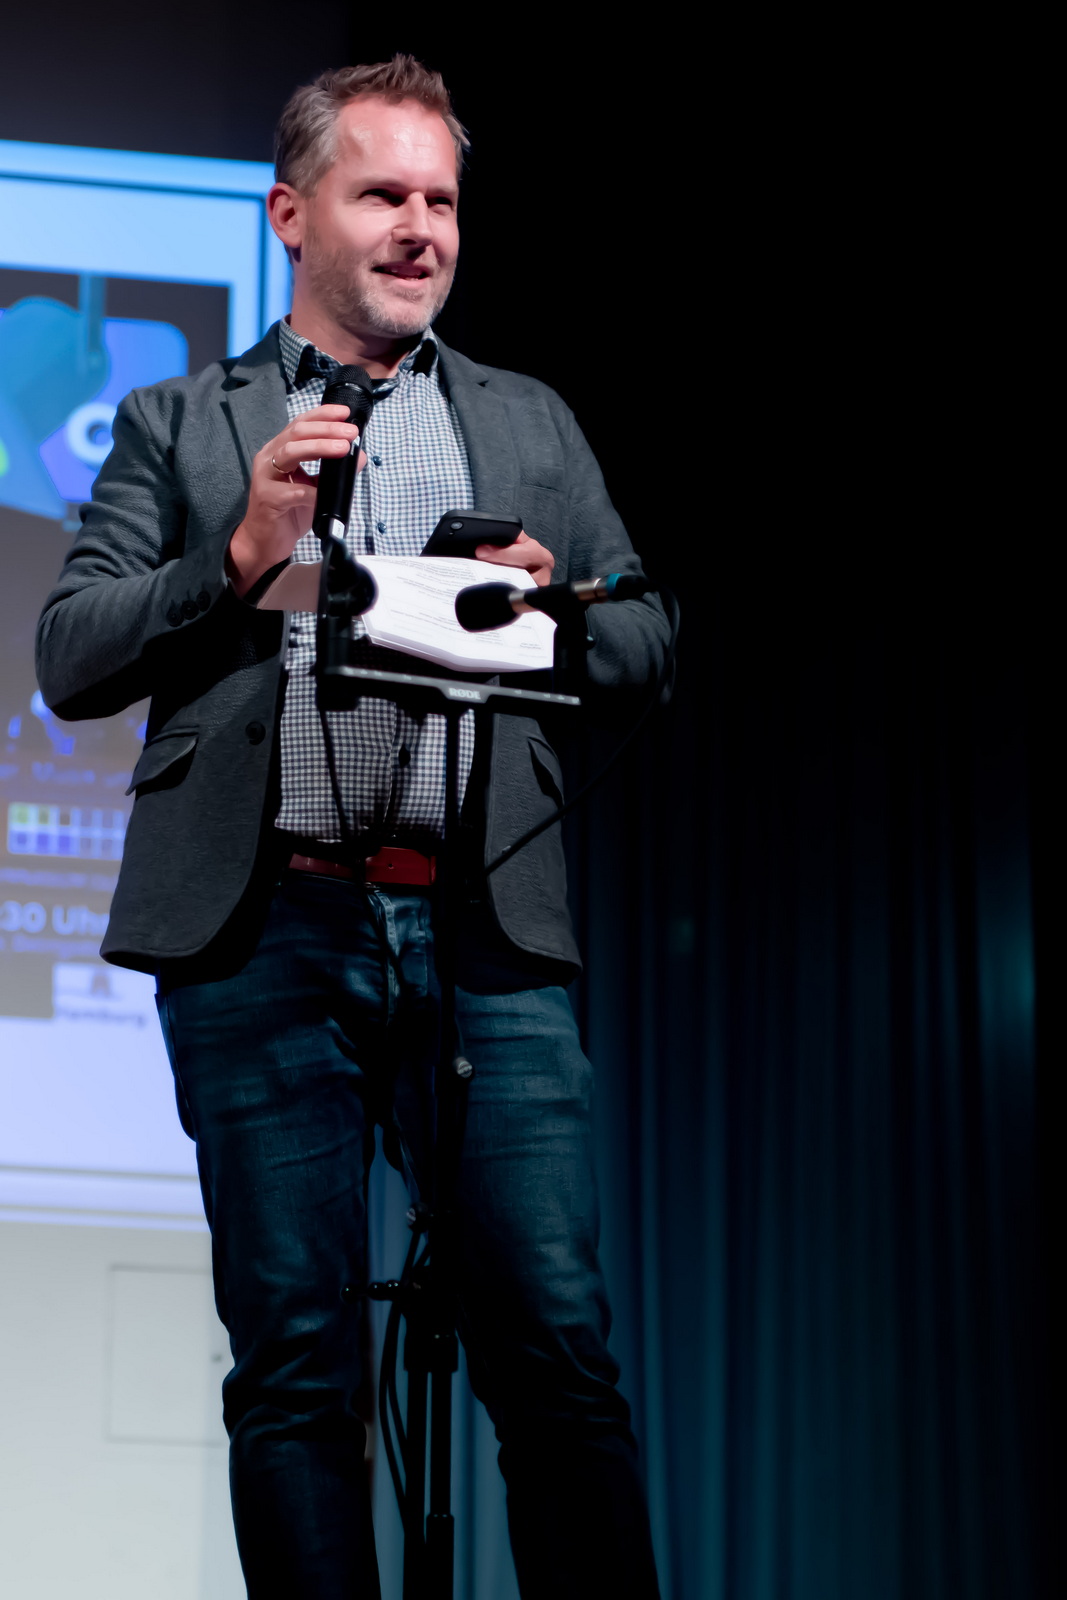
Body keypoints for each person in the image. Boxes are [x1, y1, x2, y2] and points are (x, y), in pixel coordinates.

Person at [36, 56, 667, 1599]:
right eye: (383, 193)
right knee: (296, 1368)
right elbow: (71, 653)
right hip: (266, 933)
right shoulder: (179, 420)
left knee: (559, 1356)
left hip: (483, 932)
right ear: (289, 215)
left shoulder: (527, 422)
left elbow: (648, 639)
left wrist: (551, 617)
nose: (420, 228)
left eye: (440, 200)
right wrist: (238, 555)